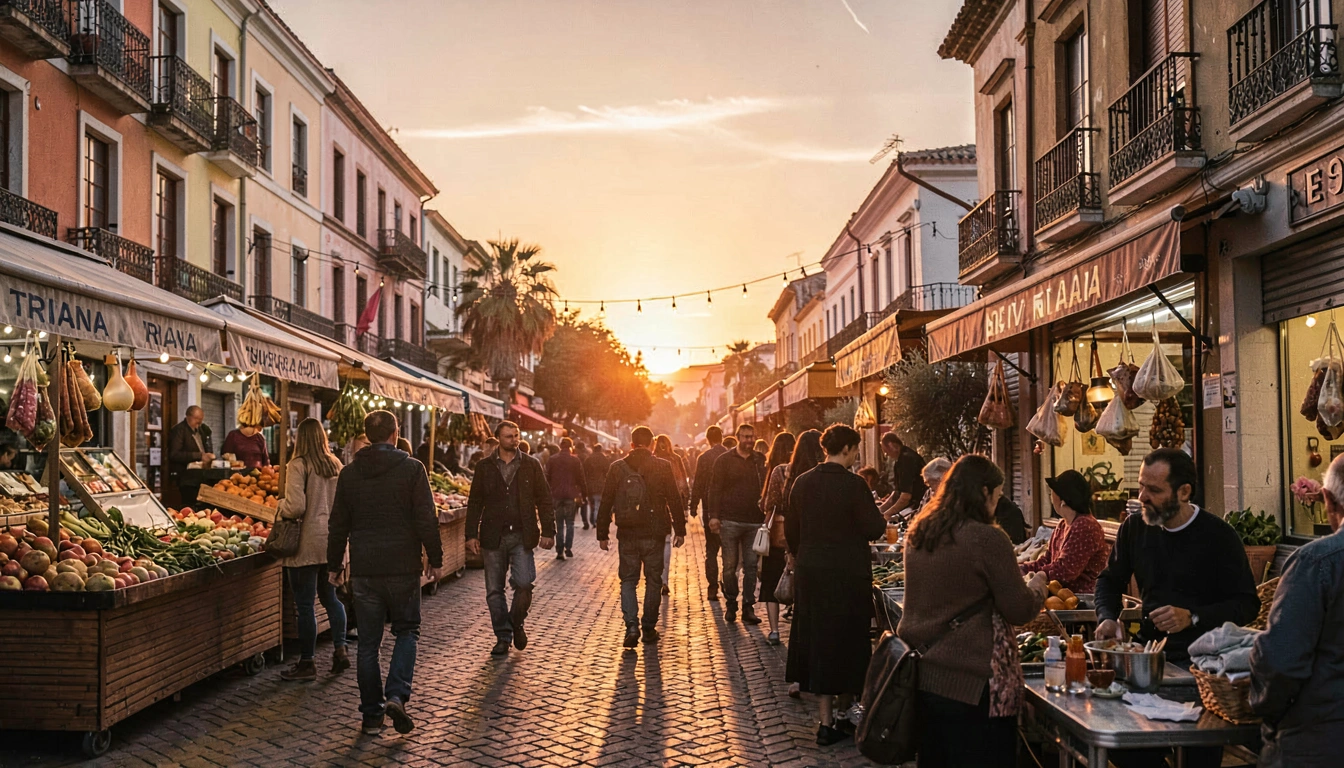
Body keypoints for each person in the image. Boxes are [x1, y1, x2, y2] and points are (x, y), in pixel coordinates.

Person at [1095, 448, 1259, 768]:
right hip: (1147, 659)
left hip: (1202, 667)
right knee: (1123, 743)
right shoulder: (1134, 528)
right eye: (1141, 486)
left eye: (1154, 490)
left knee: (1199, 754)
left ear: (1184, 492)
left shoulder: (1218, 536)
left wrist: (1193, 616)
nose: (1142, 497)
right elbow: (1109, 581)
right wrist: (1108, 617)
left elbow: (1247, 603)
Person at [898, 455, 1048, 765]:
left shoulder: (920, 532)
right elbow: (1019, 609)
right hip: (973, 685)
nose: (997, 503)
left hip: (924, 677)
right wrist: (1038, 586)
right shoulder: (987, 538)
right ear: (983, 492)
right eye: (997, 494)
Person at [327, 410, 443, 736]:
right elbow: (426, 518)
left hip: (365, 569)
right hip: (403, 566)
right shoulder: (413, 469)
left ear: (367, 436)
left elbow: (338, 524)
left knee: (368, 644)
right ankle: (396, 694)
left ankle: (371, 716)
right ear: (395, 434)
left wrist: (335, 565)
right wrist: (435, 557)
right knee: (407, 630)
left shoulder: (350, 474)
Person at [786, 425, 889, 746]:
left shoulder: (802, 482)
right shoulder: (854, 485)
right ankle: (844, 714)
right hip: (847, 574)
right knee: (849, 642)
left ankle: (826, 721)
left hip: (812, 573)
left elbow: (791, 531)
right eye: (855, 449)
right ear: (846, 448)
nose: (856, 455)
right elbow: (874, 527)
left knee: (819, 642)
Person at [1250, 452, 1344, 766]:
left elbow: (1279, 660)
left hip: (1319, 742)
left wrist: (1269, 713)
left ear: (1328, 500)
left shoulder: (1316, 562)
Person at [465, 421, 556, 656]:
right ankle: (503, 636)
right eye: (508, 437)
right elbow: (475, 502)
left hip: (521, 534)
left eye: (516, 436)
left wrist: (549, 530)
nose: (514, 440)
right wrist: (471, 534)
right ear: (498, 438)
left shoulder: (531, 465)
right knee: (494, 590)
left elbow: (544, 498)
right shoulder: (485, 467)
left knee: (524, 582)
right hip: (493, 536)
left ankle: (516, 622)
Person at [597, 426, 687, 647]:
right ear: (652, 444)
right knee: (653, 580)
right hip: (655, 532)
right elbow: (674, 498)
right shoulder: (663, 466)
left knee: (628, 580)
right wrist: (680, 529)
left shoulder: (617, 468)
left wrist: (602, 533)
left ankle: (631, 625)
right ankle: (648, 627)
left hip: (628, 532)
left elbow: (606, 501)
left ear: (631, 444)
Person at [276, 418, 349, 682]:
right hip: (332, 542)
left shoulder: (298, 465)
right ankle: (340, 650)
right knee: (331, 598)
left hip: (306, 543)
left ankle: (307, 663)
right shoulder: (336, 464)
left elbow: (296, 506)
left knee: (305, 605)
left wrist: (279, 505)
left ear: (300, 438)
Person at [708, 423, 768, 624]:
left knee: (751, 566)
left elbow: (766, 486)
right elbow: (715, 489)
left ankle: (748, 606)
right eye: (745, 436)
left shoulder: (759, 460)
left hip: (754, 522)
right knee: (729, 566)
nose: (749, 440)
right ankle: (731, 602)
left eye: (752, 436)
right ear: (737, 437)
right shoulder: (724, 461)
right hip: (729, 521)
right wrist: (714, 516)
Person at [1020, 470, 1109, 594]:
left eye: (1053, 492)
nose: (1051, 496)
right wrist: (1023, 569)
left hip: (1082, 597)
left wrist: (1040, 575)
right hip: (1061, 594)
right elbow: (1047, 559)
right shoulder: (1063, 524)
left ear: (1063, 500)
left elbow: (1065, 570)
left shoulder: (1085, 526)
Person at [758, 431, 798, 645]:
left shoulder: (778, 471)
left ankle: (774, 630)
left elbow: (769, 504)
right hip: (800, 532)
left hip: (778, 533)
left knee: (771, 580)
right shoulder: (804, 471)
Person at [689, 426, 728, 601]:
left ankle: (712, 586)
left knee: (711, 550)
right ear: (721, 437)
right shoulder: (730, 455)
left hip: (710, 509)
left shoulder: (704, 458)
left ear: (707, 439)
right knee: (728, 549)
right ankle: (727, 582)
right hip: (729, 509)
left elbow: (698, 483)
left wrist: (693, 504)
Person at [654, 434, 690, 596]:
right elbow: (682, 481)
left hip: (657, 503)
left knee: (656, 542)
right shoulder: (675, 459)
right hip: (673, 499)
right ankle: (664, 579)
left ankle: (656, 577)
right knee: (666, 541)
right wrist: (685, 501)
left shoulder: (653, 459)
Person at [545, 437, 587, 561]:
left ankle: (559, 550)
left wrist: (548, 493)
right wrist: (584, 495)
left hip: (556, 495)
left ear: (560, 446)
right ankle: (568, 548)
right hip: (571, 495)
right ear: (571, 446)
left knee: (559, 525)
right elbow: (581, 479)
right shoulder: (575, 460)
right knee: (570, 523)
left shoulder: (552, 459)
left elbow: (546, 477)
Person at [166, 406, 214, 508]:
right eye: (197, 419)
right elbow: (174, 454)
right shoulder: (179, 430)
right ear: (188, 416)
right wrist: (199, 456)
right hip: (186, 478)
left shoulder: (201, 430)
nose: (199, 422)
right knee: (189, 505)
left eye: (201, 419)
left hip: (200, 476)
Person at [877, 433, 926, 520]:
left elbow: (905, 497)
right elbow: (897, 493)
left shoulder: (907, 460)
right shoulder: (900, 460)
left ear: (891, 445)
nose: (887, 454)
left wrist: (887, 514)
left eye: (886, 451)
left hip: (916, 508)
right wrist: (879, 510)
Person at [583, 443, 612, 532]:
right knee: (599, 504)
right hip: (601, 485)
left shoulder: (588, 459)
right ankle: (597, 520)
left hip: (590, 486)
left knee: (592, 504)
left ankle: (593, 520)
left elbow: (584, 473)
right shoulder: (604, 459)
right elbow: (608, 473)